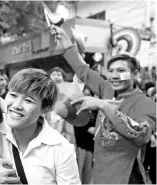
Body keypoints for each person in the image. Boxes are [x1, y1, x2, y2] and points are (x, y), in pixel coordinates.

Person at [51, 25, 156, 184]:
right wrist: (65, 40)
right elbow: (83, 71)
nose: (114, 76)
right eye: (111, 71)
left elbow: (142, 134)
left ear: (135, 74)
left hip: (127, 177)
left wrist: (103, 105)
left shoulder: (145, 103)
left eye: (121, 71)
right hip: (100, 172)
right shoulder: (108, 88)